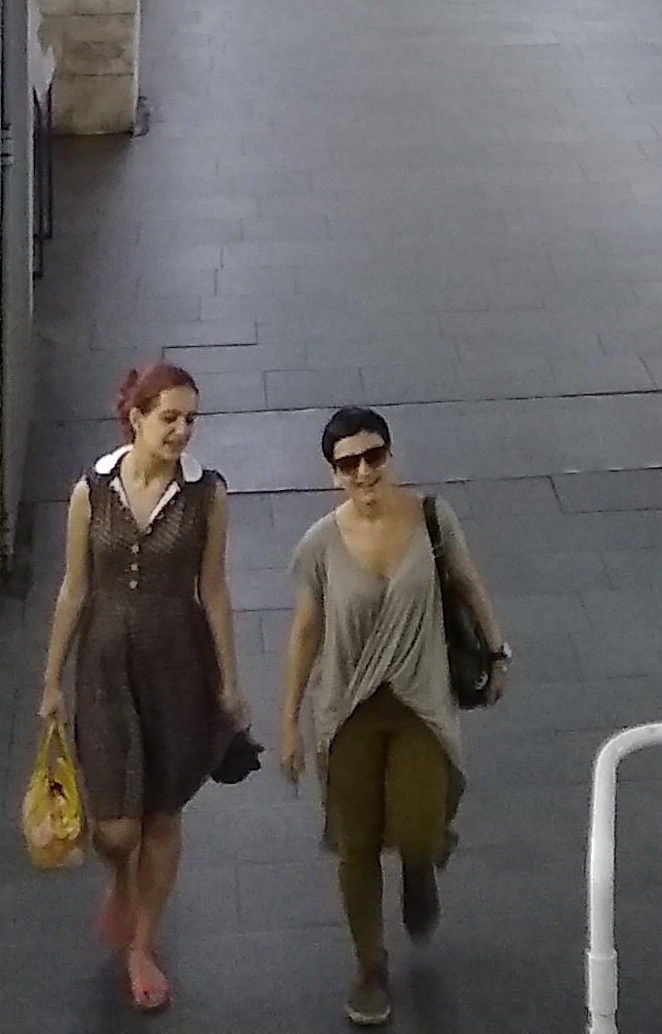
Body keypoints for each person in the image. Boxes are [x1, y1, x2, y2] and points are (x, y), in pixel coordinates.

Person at [274, 406, 504, 1025]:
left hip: (419, 703)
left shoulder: (431, 518)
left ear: (391, 456)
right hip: (346, 712)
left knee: (420, 826)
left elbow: (465, 578)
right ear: (332, 475)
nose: (364, 471)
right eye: (348, 463)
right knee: (356, 845)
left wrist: (496, 644)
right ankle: (370, 966)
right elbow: (304, 634)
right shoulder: (320, 545)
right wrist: (288, 724)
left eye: (374, 456)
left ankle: (421, 869)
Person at [38, 360, 256, 1012]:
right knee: (114, 828)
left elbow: (213, 591)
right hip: (103, 667)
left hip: (175, 665)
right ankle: (120, 883)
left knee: (161, 814)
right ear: (135, 417)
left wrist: (229, 680)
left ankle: (143, 944)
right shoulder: (91, 491)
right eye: (169, 418)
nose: (182, 431)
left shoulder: (207, 496)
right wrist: (51, 677)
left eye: (190, 419)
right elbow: (74, 586)